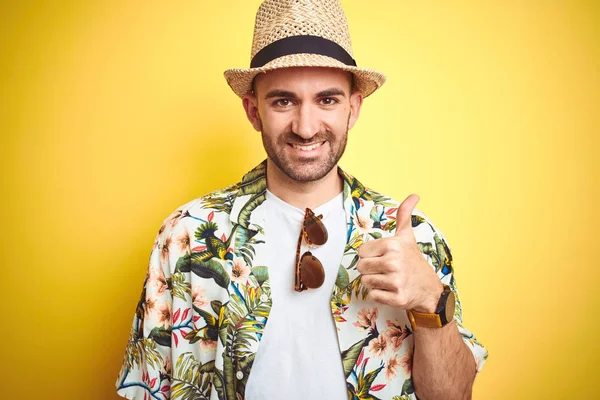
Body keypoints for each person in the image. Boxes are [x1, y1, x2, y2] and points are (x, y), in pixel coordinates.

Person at [115, 0, 488, 399]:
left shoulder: (413, 238)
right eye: (283, 101)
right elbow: (148, 387)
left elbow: (454, 397)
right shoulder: (188, 235)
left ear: (353, 108)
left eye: (326, 100)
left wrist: (430, 298)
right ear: (253, 110)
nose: (306, 127)